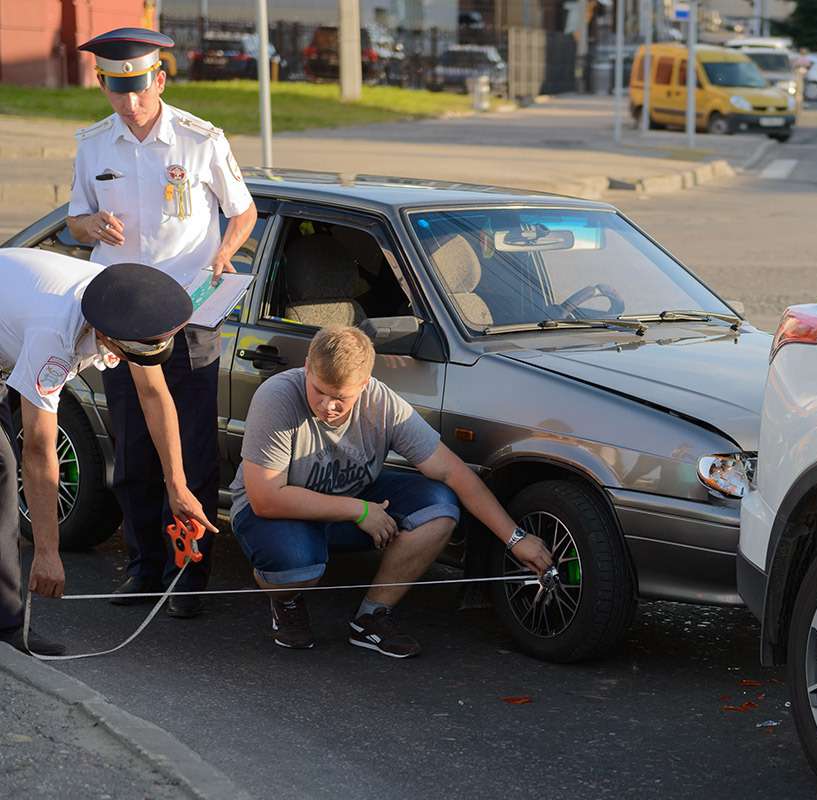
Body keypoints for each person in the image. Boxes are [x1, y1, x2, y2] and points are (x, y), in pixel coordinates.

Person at [67, 28, 257, 618]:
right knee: (134, 447)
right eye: (116, 89)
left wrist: (225, 251)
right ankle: (144, 566)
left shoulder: (201, 140)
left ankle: (189, 573)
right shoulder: (93, 144)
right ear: (102, 84)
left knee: (193, 450)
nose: (129, 102)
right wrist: (91, 227)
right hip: (122, 314)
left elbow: (244, 211)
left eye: (140, 88)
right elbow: (75, 219)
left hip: (188, 312)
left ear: (161, 79)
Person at [229, 326, 554, 658]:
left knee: (440, 509)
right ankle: (286, 599)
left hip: (350, 501)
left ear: (364, 385)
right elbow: (266, 499)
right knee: (296, 566)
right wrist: (359, 510)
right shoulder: (277, 396)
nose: (328, 406)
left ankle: (371, 617)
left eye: (341, 398)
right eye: (319, 391)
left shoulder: (382, 403)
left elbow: (452, 471)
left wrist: (515, 538)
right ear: (307, 367)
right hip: (275, 512)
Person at [0, 251, 218, 655]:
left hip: (10, 331)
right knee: (4, 464)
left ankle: (7, 624)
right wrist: (47, 552)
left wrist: (178, 485)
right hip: (18, 332)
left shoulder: (124, 309)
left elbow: (154, 396)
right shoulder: (54, 338)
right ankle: (9, 621)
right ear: (105, 337)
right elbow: (39, 449)